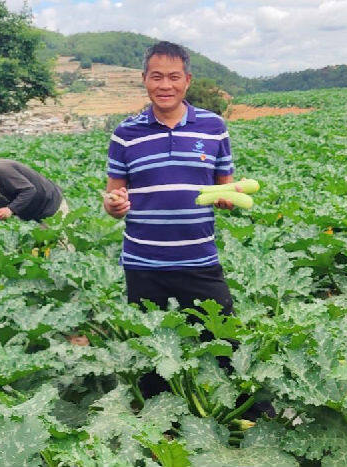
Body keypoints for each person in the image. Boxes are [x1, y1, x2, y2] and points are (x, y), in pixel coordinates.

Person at [102, 41, 242, 397]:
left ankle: (240, 408)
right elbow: (114, 195)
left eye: (174, 77)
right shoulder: (125, 134)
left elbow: (224, 187)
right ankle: (159, 427)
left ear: (187, 80)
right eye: (157, 77)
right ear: (144, 80)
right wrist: (114, 205)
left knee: (224, 342)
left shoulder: (213, 127)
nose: (165, 85)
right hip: (144, 263)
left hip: (199, 258)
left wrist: (228, 199)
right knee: (153, 355)